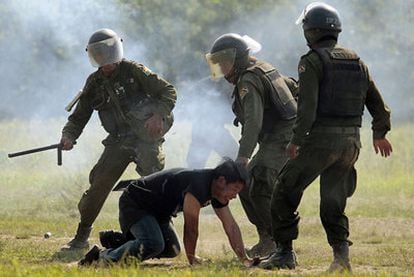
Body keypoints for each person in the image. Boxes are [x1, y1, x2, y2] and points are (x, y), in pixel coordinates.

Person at [259, 2, 393, 272]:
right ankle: (341, 259)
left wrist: (296, 140)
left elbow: (307, 108)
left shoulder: (311, 61)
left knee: (284, 190)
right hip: (351, 144)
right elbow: (378, 104)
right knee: (333, 201)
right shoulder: (357, 60)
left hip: (320, 141)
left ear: (311, 31)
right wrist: (380, 133)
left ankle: (284, 254)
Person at [60, 28, 177, 251]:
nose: (104, 59)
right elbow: (79, 117)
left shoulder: (134, 71)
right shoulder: (93, 83)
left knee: (156, 185)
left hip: (145, 139)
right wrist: (68, 136)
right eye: (98, 54)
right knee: (98, 186)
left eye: (107, 52)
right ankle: (81, 235)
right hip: (118, 141)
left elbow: (168, 91)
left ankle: (165, 234)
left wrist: (158, 115)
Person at [205, 33, 298, 257]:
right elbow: (293, 88)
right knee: (244, 183)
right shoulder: (262, 67)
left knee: (261, 184)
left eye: (225, 63)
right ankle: (267, 239)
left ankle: (281, 245)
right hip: (280, 135)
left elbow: (254, 121)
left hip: (283, 136)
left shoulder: (248, 80)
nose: (223, 69)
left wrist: (243, 157)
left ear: (237, 59)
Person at [79, 159, 259, 267]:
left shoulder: (218, 192)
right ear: (221, 180)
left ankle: (120, 242)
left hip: (159, 212)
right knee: (153, 244)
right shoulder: (199, 184)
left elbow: (231, 227)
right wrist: (192, 258)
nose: (235, 196)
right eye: (234, 190)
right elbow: (191, 228)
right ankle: (101, 258)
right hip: (136, 203)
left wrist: (244, 259)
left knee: (171, 250)